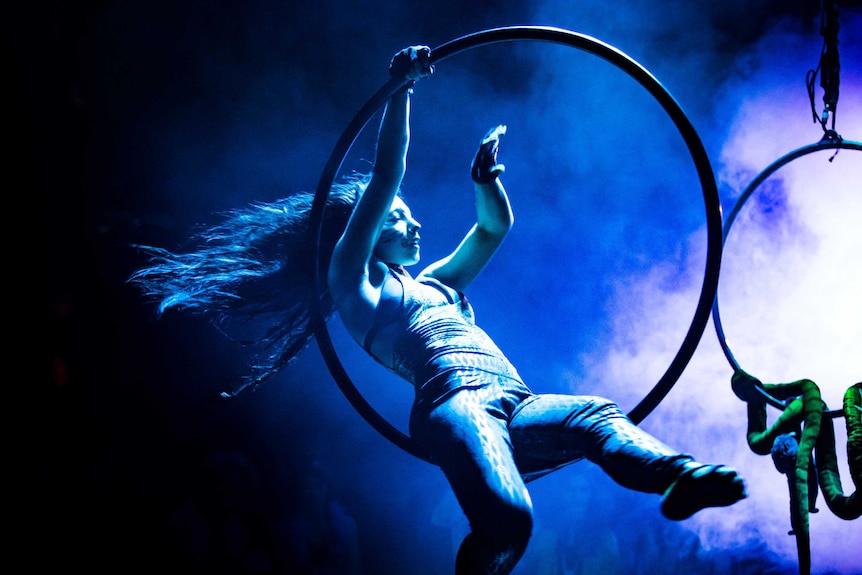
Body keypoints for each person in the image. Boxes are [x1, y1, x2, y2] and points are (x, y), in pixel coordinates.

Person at [130, 45, 747, 575]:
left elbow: (492, 228)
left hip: (515, 401)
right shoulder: (359, 289)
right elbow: (385, 176)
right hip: (455, 405)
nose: (413, 220)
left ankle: (680, 475)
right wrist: (400, 91)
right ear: (367, 232)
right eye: (398, 216)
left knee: (594, 418)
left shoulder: (435, 284)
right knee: (509, 523)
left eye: (407, 212)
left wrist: (485, 181)